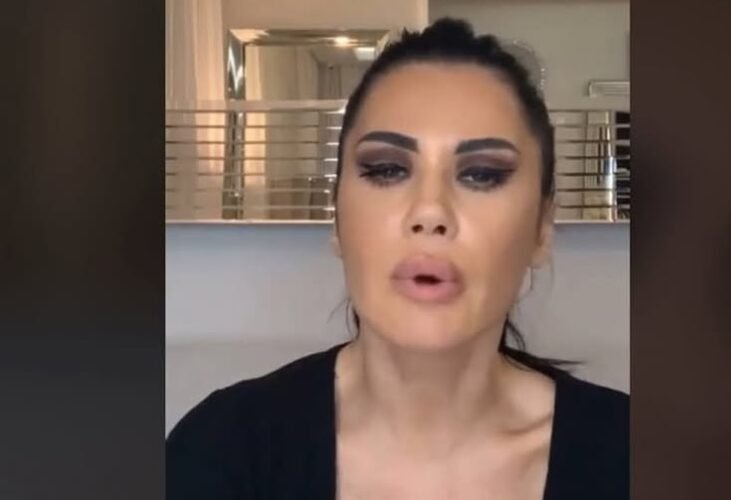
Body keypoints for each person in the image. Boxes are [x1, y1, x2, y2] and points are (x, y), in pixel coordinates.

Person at [167, 18, 628, 500]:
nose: (430, 212)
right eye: (387, 169)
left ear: (541, 228)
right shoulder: (219, 448)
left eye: (482, 174)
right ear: (337, 219)